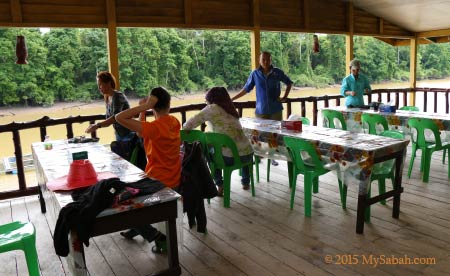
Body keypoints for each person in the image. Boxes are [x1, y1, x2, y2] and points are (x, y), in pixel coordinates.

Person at [115, 87, 181, 245]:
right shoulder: (174, 122)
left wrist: (144, 106)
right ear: (168, 104)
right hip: (174, 180)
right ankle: (136, 228)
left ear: (153, 105)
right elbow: (140, 133)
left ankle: (154, 236)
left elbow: (119, 117)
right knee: (129, 192)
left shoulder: (154, 128)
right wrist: (145, 111)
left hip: (157, 183)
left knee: (121, 203)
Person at [183, 87, 254, 196]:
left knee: (209, 153)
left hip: (230, 158)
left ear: (211, 98)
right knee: (239, 145)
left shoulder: (212, 108)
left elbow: (188, 125)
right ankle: (246, 182)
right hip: (248, 155)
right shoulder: (230, 108)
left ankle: (220, 184)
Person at [231, 51, 293, 166]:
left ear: (271, 60)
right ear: (259, 61)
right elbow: (246, 89)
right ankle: (258, 156)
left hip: (276, 109)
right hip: (261, 110)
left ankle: (272, 156)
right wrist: (232, 99)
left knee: (274, 134)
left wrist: (284, 97)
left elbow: (289, 83)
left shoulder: (277, 72)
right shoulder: (255, 74)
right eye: (263, 59)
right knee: (259, 134)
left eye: (268, 59)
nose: (266, 61)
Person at [85, 71, 134, 141]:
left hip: (129, 133)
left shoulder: (117, 96)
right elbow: (109, 119)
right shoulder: (108, 97)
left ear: (108, 83)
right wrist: (97, 125)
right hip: (119, 133)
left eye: (100, 84)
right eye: (98, 85)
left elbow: (115, 117)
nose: (99, 88)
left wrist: (97, 125)